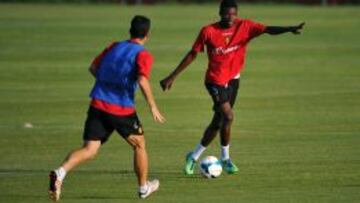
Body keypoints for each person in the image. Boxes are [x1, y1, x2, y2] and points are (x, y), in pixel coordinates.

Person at [160, 0, 304, 176]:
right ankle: (225, 158)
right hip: (215, 81)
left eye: (233, 14)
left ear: (237, 14)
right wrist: (172, 76)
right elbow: (193, 54)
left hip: (234, 79)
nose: (230, 17)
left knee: (219, 122)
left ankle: (194, 156)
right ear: (220, 13)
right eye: (227, 14)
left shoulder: (245, 26)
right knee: (228, 115)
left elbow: (267, 29)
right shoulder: (208, 31)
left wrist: (289, 29)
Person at [49, 15, 165, 201]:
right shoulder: (143, 54)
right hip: (121, 109)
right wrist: (153, 106)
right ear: (147, 34)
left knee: (90, 149)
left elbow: (93, 68)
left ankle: (60, 172)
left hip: (97, 104)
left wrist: (107, 86)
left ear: (131, 30)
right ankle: (143, 188)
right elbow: (142, 80)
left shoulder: (114, 46)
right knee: (139, 144)